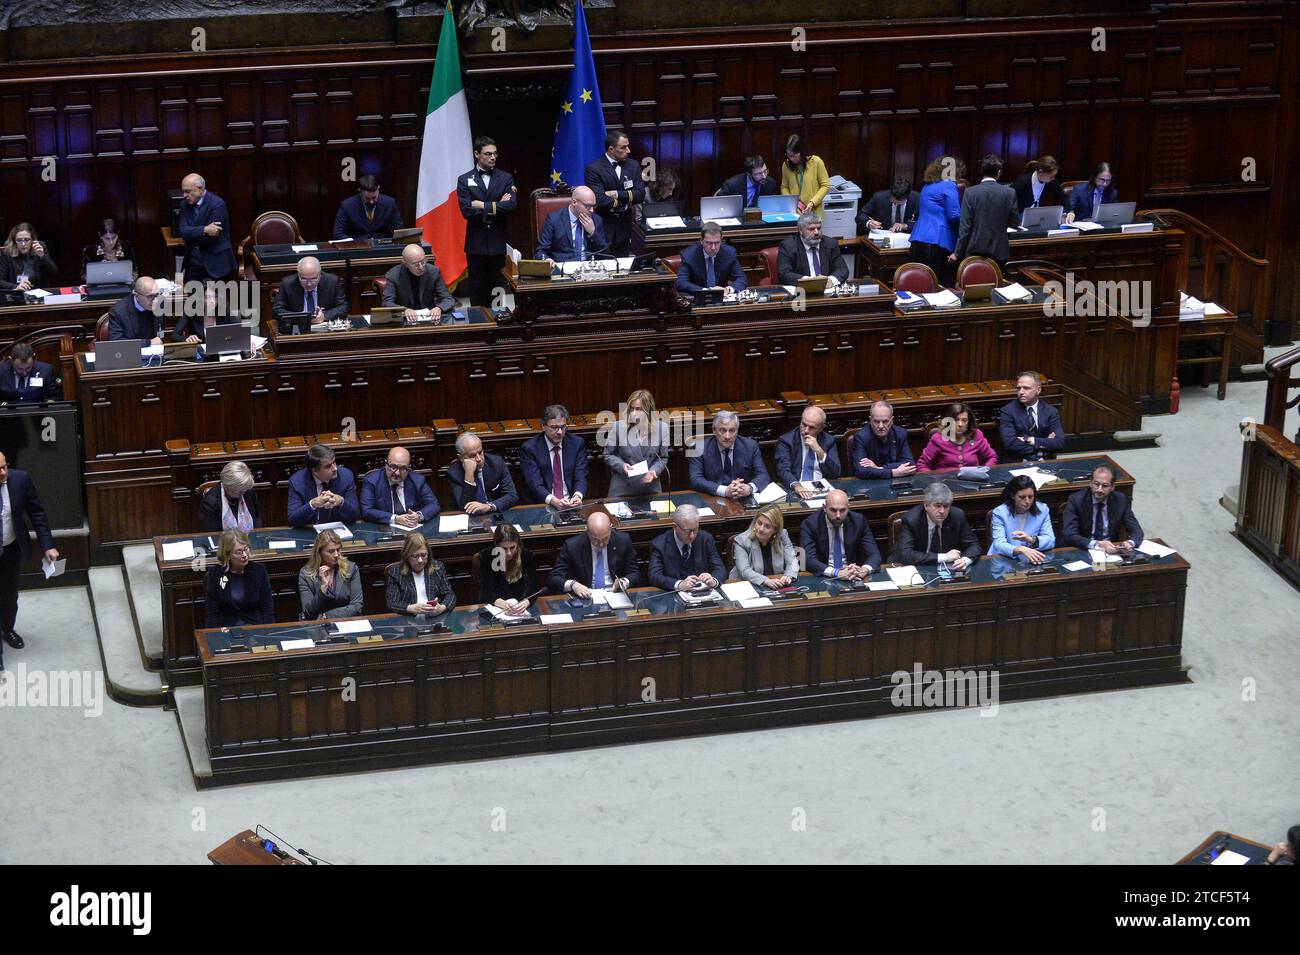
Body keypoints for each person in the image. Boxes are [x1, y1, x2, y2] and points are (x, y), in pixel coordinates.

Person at [0, 451, 58, 670]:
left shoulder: (20, 479)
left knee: (9, 594)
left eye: (5, 466)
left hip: (11, 548)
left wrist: (48, 545)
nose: (3, 472)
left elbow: (37, 514)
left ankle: (7, 629)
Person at [458, 137, 518, 309]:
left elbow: (511, 205)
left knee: (497, 287)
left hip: (498, 241)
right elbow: (467, 212)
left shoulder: (505, 177)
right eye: (488, 154)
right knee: (477, 288)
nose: (493, 157)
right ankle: (479, 322)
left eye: (495, 154)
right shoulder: (464, 179)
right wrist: (498, 205)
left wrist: (483, 205)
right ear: (477, 154)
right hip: (476, 244)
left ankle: (498, 317)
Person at [890, 482, 981, 570]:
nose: (942, 511)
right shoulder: (912, 520)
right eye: (937, 506)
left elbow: (974, 545)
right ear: (926, 505)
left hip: (947, 570)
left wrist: (965, 560)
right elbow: (906, 555)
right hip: (916, 568)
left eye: (946, 506)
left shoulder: (957, 516)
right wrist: (944, 557)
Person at [547, 512, 640, 597]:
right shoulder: (573, 546)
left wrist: (624, 581)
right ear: (587, 531)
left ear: (611, 529)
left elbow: (634, 573)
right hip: (586, 596)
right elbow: (553, 579)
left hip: (615, 594)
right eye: (595, 539)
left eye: (605, 538)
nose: (600, 544)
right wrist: (573, 585)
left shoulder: (623, 540)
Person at [952, 154, 1019, 271]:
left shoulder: (970, 193)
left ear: (982, 171)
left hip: (974, 250)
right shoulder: (1010, 193)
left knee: (974, 286)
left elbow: (965, 227)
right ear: (999, 172)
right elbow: (1014, 222)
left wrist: (957, 253)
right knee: (996, 286)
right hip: (999, 251)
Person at [584, 129, 644, 256]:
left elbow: (640, 194)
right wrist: (625, 205)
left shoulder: (633, 165)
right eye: (623, 147)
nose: (628, 151)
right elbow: (600, 200)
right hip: (604, 226)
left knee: (621, 268)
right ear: (611, 149)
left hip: (624, 228)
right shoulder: (594, 169)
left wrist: (616, 194)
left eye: (628, 146)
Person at [601, 388, 670, 497]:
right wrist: (621, 465)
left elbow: (663, 458)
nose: (633, 413)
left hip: (650, 488)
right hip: (622, 489)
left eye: (638, 409)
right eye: (631, 409)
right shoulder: (618, 427)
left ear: (649, 410)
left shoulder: (662, 429)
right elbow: (607, 454)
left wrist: (654, 471)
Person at [687, 410, 771, 499]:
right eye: (722, 430)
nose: (727, 436)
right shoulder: (699, 448)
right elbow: (695, 480)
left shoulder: (750, 446)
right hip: (712, 497)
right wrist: (725, 491)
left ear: (737, 431)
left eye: (732, 431)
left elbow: (763, 475)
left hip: (742, 497)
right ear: (714, 430)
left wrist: (749, 488)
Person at [799, 489, 881, 580]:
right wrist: (836, 572)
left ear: (848, 508)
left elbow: (874, 554)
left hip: (852, 575)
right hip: (824, 576)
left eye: (842, 510)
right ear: (824, 508)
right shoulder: (810, 524)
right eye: (833, 510)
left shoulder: (858, 521)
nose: (838, 515)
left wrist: (864, 570)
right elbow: (807, 559)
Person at [1061, 465, 1144, 554]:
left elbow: (1137, 530)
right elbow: (1069, 534)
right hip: (1084, 548)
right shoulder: (1076, 500)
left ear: (1112, 487)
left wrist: (1130, 543)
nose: (1099, 489)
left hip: (1111, 550)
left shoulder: (1120, 500)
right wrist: (1097, 544)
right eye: (1096, 484)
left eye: (1105, 486)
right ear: (1090, 483)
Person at [909, 155, 964, 286]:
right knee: (939, 285)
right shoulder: (949, 185)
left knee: (920, 283)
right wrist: (970, 220)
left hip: (919, 239)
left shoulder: (927, 186)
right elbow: (954, 216)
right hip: (938, 242)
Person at [518, 404, 588, 506]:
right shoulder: (530, 448)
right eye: (554, 427)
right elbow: (535, 484)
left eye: (563, 427)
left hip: (571, 503)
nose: (559, 432)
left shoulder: (577, 444)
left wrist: (577, 496)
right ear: (543, 426)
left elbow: (581, 476)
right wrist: (553, 500)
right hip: (542, 505)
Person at [203, 529, 274, 628]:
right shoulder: (215, 575)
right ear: (227, 555)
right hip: (226, 630)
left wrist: (268, 633)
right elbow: (211, 613)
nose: (244, 555)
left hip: (254, 628)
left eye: (246, 549)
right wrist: (213, 637)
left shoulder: (258, 571)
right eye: (239, 552)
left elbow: (267, 609)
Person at [648, 504, 725, 592]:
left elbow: (720, 568)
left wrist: (713, 581)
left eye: (695, 530)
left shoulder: (705, 539)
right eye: (687, 531)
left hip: (703, 593)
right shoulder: (659, 544)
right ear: (675, 527)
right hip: (673, 595)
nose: (692, 536)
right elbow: (654, 576)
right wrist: (679, 584)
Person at [360, 446, 440, 527]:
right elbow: (366, 511)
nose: (397, 473)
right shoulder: (371, 481)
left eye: (403, 468)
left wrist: (418, 516)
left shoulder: (417, 480)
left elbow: (434, 505)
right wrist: (395, 519)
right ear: (386, 464)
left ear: (408, 468)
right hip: (383, 529)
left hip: (412, 531)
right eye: (393, 467)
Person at [178, 173, 237, 283]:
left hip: (216, 260)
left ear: (200, 189)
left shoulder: (218, 204)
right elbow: (182, 231)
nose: (184, 195)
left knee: (217, 299)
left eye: (187, 191)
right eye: (183, 191)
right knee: (191, 298)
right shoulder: (184, 205)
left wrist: (192, 233)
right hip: (194, 260)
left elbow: (211, 237)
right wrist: (204, 230)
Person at [774, 405, 841, 498]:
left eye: (812, 427)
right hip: (797, 489)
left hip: (822, 489)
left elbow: (835, 473)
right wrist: (797, 486)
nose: (806, 430)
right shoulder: (787, 441)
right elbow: (783, 470)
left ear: (821, 428)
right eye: (804, 424)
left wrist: (819, 450)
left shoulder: (828, 440)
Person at [998, 371, 1065, 461]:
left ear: (1038, 390)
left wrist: (1030, 440)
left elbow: (1059, 443)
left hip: (1045, 464)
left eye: (1026, 388)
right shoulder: (1008, 411)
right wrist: (1041, 451)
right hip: (1017, 463)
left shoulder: (1051, 411)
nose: (1021, 392)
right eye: (1018, 388)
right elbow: (1010, 443)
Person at [287, 444, 359, 527]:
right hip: (311, 530)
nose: (335, 468)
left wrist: (341, 501)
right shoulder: (297, 482)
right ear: (315, 471)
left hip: (338, 531)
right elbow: (293, 520)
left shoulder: (346, 476)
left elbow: (354, 515)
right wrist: (313, 504)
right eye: (328, 466)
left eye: (334, 462)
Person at [988, 475, 1056, 565]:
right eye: (1022, 497)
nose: (1027, 501)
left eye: (1030, 496)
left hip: (1032, 560)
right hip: (1003, 561)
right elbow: (999, 544)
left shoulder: (1043, 510)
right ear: (1013, 496)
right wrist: (1020, 549)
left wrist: (1031, 540)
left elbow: (1051, 540)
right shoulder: (1000, 512)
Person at [384, 532, 456, 616]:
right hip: (408, 620)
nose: (420, 560)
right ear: (407, 555)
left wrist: (442, 608)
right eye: (415, 556)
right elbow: (392, 602)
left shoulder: (437, 567)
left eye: (423, 555)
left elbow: (450, 595)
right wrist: (410, 608)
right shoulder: (395, 571)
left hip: (434, 618)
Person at [298, 529, 364, 619]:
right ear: (319, 552)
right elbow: (308, 613)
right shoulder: (306, 574)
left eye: (338, 549)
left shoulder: (351, 568)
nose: (336, 554)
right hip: (316, 626)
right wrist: (323, 589)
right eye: (331, 551)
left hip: (345, 622)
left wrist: (327, 616)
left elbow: (357, 606)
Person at [446, 432, 518, 515]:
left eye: (480, 452)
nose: (479, 459)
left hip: (495, 511)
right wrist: (469, 474)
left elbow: (512, 495)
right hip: (471, 518)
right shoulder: (454, 473)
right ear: (461, 457)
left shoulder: (497, 463)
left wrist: (488, 506)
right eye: (472, 455)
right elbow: (464, 507)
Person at [731, 504, 799, 589]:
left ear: (775, 529)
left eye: (767, 526)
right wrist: (765, 581)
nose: (761, 529)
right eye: (759, 523)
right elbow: (744, 571)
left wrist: (788, 576)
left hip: (776, 583)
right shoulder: (742, 540)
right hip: (746, 585)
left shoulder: (782, 535)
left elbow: (792, 560)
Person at [916, 401, 998, 472]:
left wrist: (984, 471)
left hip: (973, 482)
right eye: (956, 420)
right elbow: (922, 465)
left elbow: (992, 457)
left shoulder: (976, 435)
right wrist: (935, 482)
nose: (960, 424)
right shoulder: (938, 439)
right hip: (946, 484)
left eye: (964, 420)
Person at [381, 244, 456, 320]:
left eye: (423, 262)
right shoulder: (393, 275)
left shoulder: (434, 272)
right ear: (405, 263)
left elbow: (448, 299)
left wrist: (439, 308)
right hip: (404, 320)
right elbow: (387, 303)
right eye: (415, 264)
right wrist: (404, 310)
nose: (421, 267)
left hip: (428, 317)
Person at [535, 185, 608, 264]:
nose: (592, 210)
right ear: (574, 202)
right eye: (587, 206)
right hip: (562, 267)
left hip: (589, 268)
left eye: (593, 206)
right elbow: (540, 251)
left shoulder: (596, 220)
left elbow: (605, 254)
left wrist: (593, 233)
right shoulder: (554, 219)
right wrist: (546, 259)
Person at [476, 524, 537, 617]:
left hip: (522, 608)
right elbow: (485, 591)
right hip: (496, 609)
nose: (508, 553)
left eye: (512, 548)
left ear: (517, 544)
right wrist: (503, 604)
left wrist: (526, 602)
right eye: (504, 548)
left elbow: (532, 587)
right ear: (496, 545)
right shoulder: (485, 558)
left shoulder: (527, 556)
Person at [776, 212, 849, 287]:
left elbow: (842, 270)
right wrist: (807, 281)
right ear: (800, 230)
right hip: (801, 292)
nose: (816, 232)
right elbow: (784, 273)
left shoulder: (830, 244)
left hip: (827, 291)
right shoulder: (788, 246)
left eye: (819, 228)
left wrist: (831, 280)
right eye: (811, 229)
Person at [272, 256, 348, 327]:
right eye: (304, 279)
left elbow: (343, 307)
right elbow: (277, 311)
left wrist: (324, 316)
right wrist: (299, 318)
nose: (309, 284)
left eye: (313, 279)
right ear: (298, 274)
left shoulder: (332, 281)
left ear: (319, 274)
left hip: (324, 328)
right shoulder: (287, 284)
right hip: (298, 329)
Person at [674, 222, 747, 295]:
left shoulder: (729, 253)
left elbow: (741, 279)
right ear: (701, 241)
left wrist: (728, 290)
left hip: (722, 298)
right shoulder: (688, 255)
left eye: (717, 243)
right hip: (698, 298)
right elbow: (681, 282)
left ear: (721, 240)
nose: (713, 248)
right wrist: (705, 291)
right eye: (709, 243)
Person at [851, 401, 916, 479]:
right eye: (876, 421)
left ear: (891, 420)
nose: (881, 426)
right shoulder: (861, 437)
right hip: (871, 484)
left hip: (897, 482)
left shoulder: (900, 433)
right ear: (870, 420)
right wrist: (893, 472)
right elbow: (861, 471)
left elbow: (910, 464)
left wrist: (879, 468)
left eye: (885, 421)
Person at [333, 174, 404, 241]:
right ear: (360, 192)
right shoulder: (347, 206)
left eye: (374, 197)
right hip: (358, 246)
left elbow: (399, 229)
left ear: (378, 189)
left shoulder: (389, 203)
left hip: (382, 244)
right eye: (367, 198)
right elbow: (338, 233)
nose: (371, 201)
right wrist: (352, 243)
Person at [198, 461, 261, 533]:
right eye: (240, 491)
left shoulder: (248, 491)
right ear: (227, 487)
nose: (244, 492)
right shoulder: (210, 502)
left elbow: (257, 520)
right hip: (223, 543)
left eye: (245, 489)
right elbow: (211, 534)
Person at [1011, 156, 1074, 222]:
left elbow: (1062, 196)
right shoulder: (1022, 182)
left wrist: (1070, 211)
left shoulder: (1051, 182)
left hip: (1038, 217)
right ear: (1040, 172)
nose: (1053, 178)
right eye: (1051, 176)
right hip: (1020, 217)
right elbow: (1010, 201)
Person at [780, 134, 830, 216]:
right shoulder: (786, 165)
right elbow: (784, 186)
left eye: (793, 155)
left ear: (801, 151)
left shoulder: (816, 162)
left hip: (814, 213)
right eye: (788, 155)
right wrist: (791, 202)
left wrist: (812, 203)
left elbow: (825, 185)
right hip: (794, 213)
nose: (791, 159)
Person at [0, 223, 58, 292]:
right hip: (17, 295)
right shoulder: (7, 253)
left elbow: (53, 273)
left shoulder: (40, 248)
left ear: (32, 240)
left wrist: (42, 256)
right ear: (14, 241)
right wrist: (15, 287)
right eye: (19, 240)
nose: (23, 244)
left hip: (39, 293)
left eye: (27, 240)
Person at [170, 286, 239, 344]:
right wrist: (187, 339)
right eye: (208, 297)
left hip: (222, 350)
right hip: (200, 354)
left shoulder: (225, 310)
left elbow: (239, 331)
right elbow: (174, 335)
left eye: (215, 297)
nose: (212, 301)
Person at [107, 277, 163, 343]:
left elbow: (160, 332)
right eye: (150, 296)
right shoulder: (118, 311)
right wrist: (148, 343)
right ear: (136, 295)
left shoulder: (159, 305)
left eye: (157, 295)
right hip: (129, 352)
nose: (155, 300)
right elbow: (117, 341)